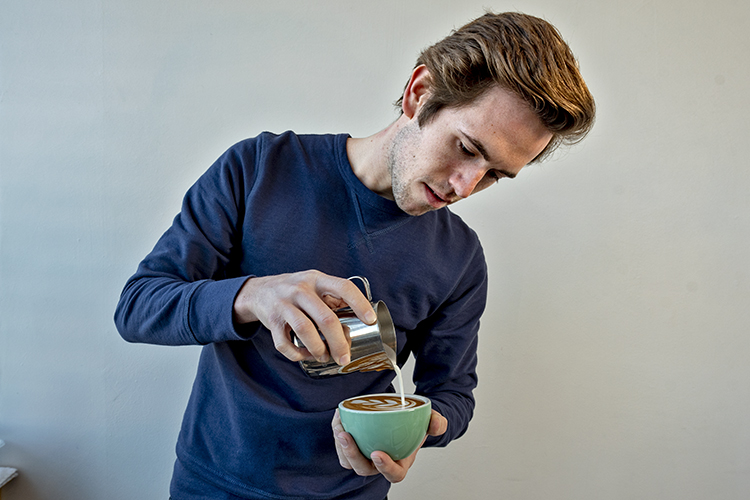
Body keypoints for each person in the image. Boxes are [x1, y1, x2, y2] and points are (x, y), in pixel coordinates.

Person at [114, 11, 595, 500]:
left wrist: (423, 427)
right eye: (467, 147)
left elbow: (452, 393)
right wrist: (252, 296)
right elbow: (138, 307)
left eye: (494, 174)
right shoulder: (259, 169)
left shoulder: (460, 258)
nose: (464, 185)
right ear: (420, 93)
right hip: (213, 485)